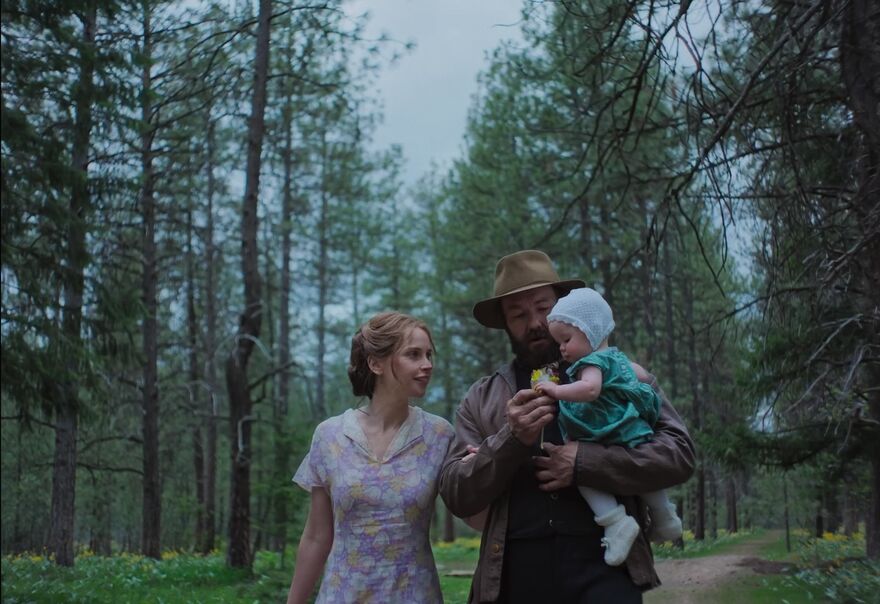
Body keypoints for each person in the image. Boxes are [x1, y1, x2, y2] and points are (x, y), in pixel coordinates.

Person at [439, 250, 695, 603]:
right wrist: (510, 439)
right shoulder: (481, 398)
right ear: (505, 324)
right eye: (518, 315)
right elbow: (456, 493)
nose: (535, 323)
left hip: (607, 569)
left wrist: (584, 462)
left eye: (543, 308)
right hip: (514, 575)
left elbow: (679, 454)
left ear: (563, 306)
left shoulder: (618, 373)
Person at [287, 311, 454, 604]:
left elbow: (476, 514)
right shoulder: (330, 436)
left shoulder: (439, 435)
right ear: (376, 363)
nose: (427, 364)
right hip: (342, 596)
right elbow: (316, 536)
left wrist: (495, 457)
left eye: (429, 354)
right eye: (413, 354)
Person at [533, 287, 683, 566]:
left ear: (590, 332)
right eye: (559, 342)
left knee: (582, 473)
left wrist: (556, 391)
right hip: (631, 429)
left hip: (603, 431)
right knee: (644, 475)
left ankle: (615, 522)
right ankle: (664, 516)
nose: (562, 348)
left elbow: (590, 390)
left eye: (566, 339)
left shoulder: (590, 363)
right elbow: (640, 377)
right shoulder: (619, 358)